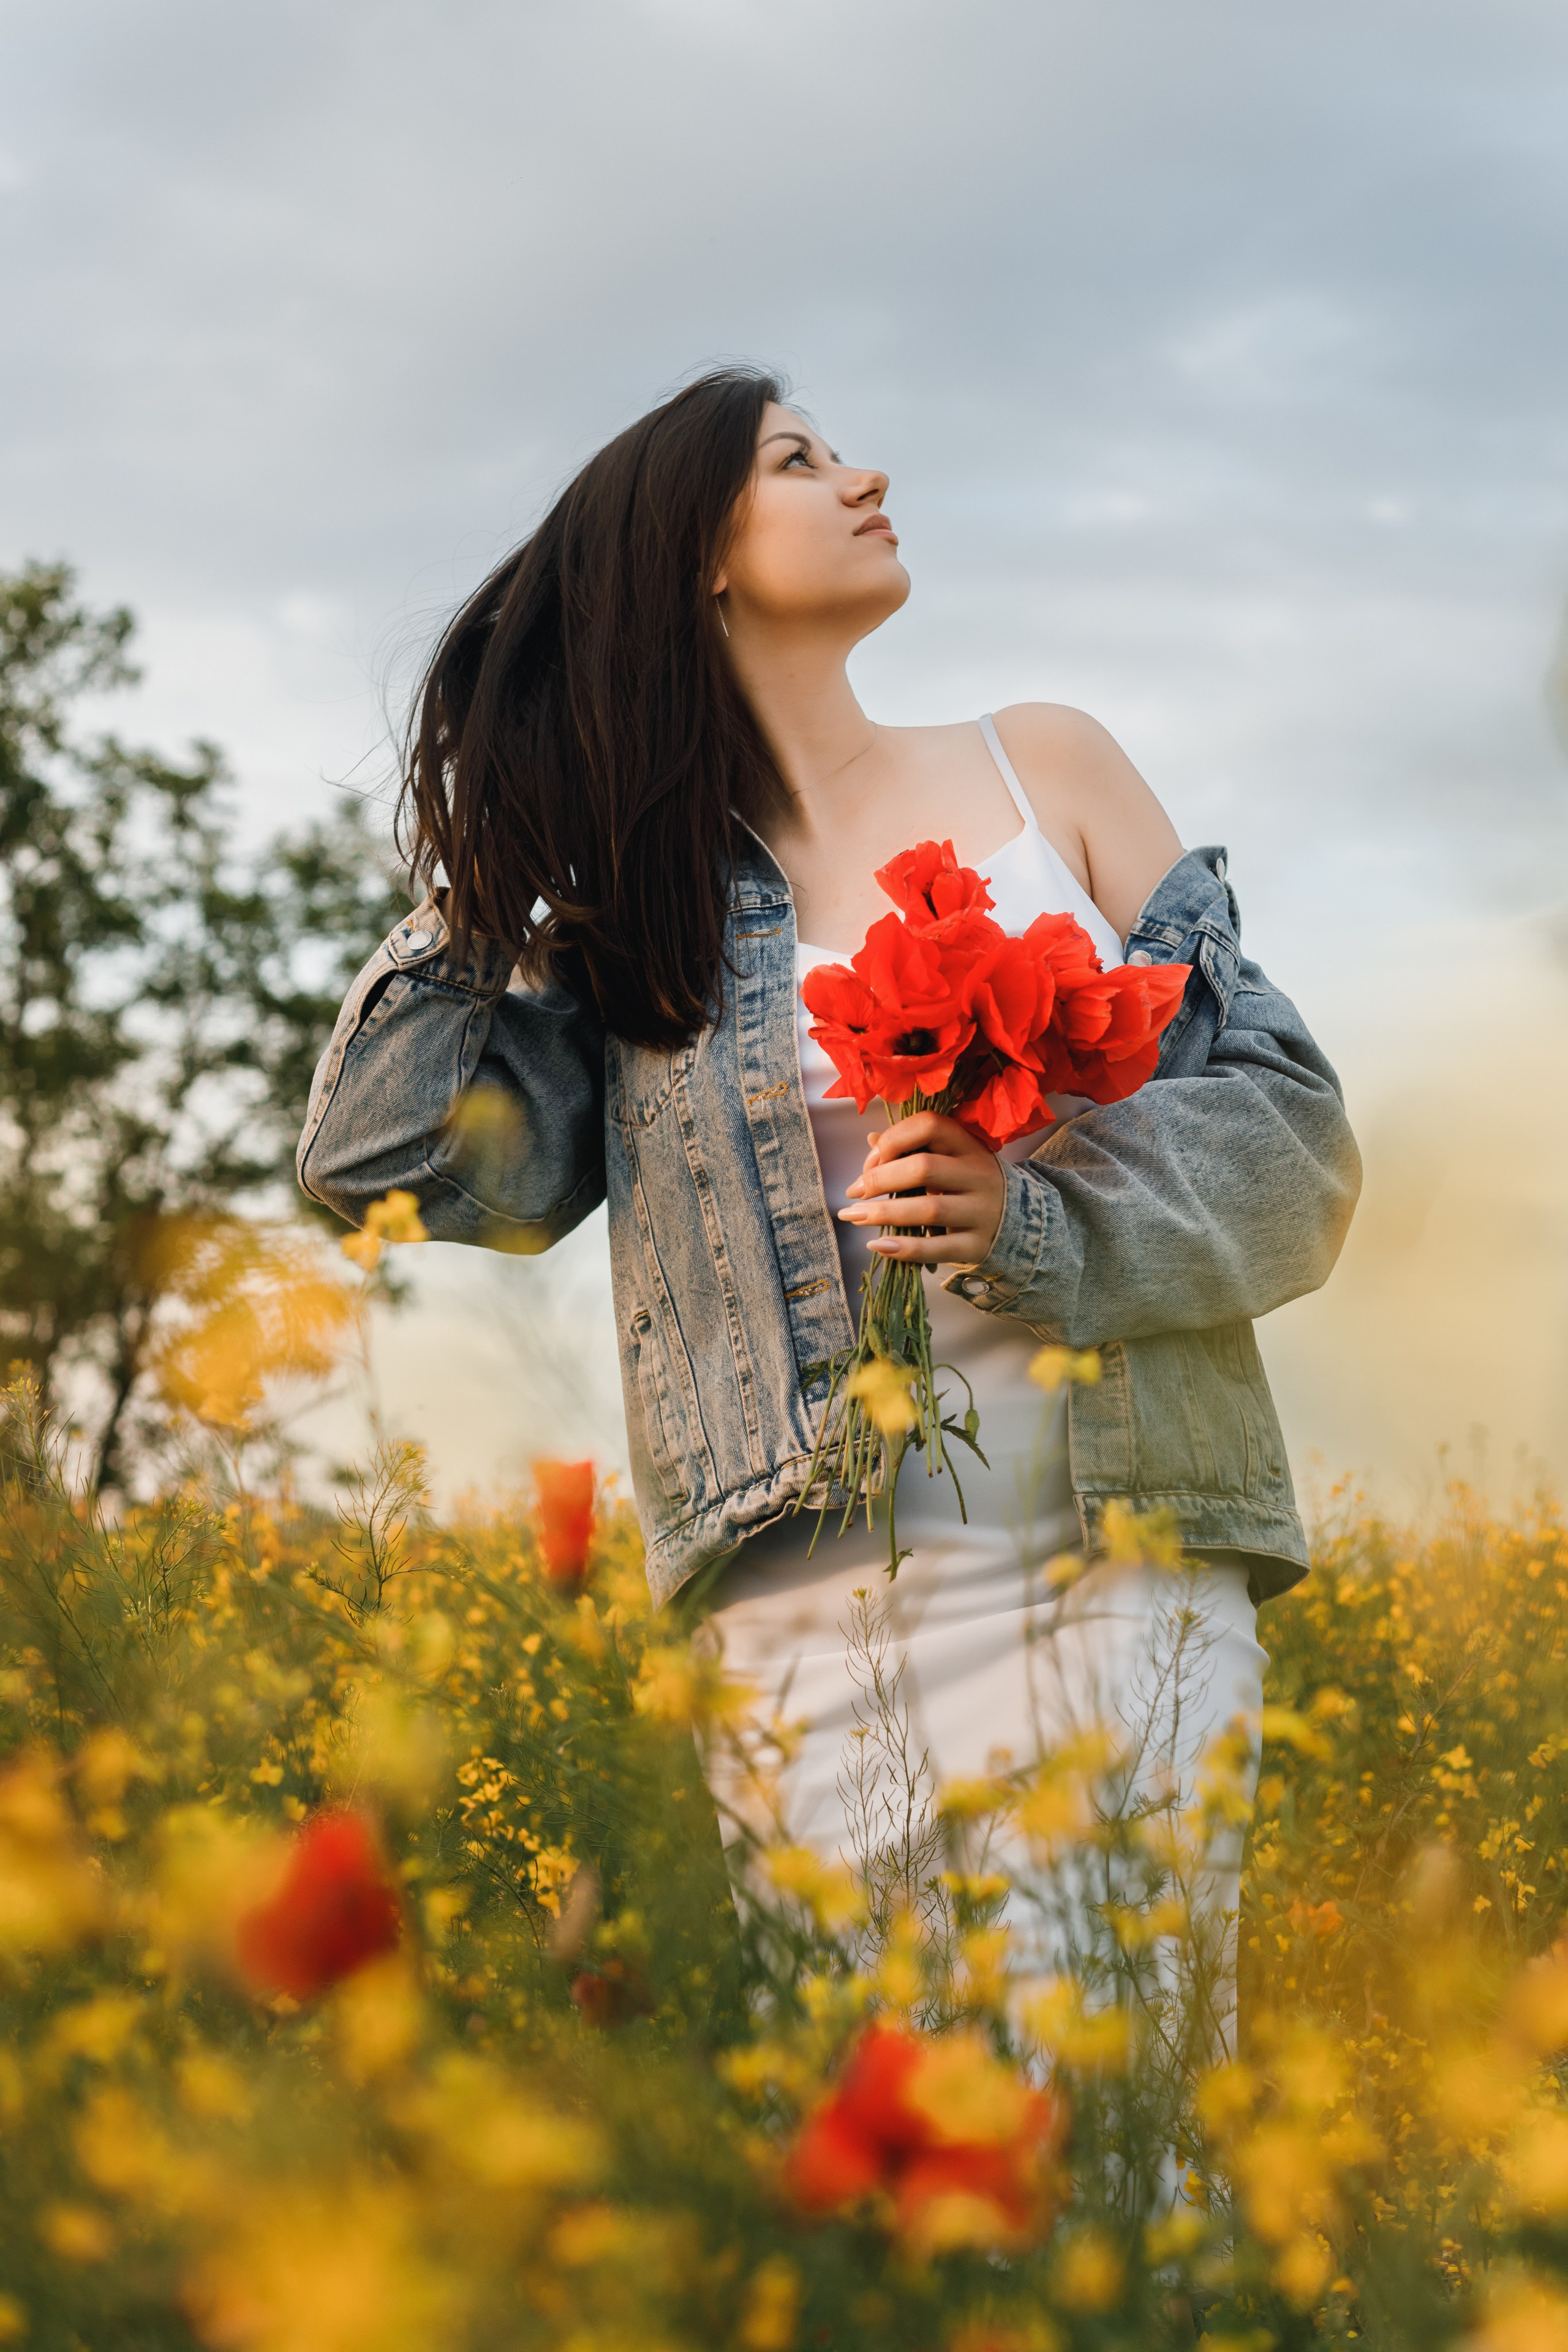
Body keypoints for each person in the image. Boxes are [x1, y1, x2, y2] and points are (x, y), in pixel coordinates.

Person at [297, 368, 1360, 1978]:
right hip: (799, 1630)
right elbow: (385, 1155)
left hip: (1115, 1556)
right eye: (799, 460)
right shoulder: (637, 919)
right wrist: (497, 850)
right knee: (876, 2188)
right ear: (695, 563)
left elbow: (1296, 1141)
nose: (865, 476)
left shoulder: (1045, 767)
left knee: (1113, 2147)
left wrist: (1039, 1221)